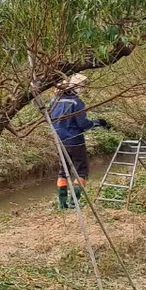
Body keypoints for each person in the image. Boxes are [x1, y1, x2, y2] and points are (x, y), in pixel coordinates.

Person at [49, 74, 110, 209]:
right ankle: (74, 202)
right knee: (81, 171)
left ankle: (62, 203)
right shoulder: (76, 102)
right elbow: (83, 124)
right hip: (75, 141)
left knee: (63, 171)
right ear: (78, 87)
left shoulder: (54, 100)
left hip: (59, 141)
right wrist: (98, 122)